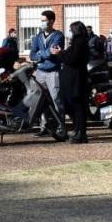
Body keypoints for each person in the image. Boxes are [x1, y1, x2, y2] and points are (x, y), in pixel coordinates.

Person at [30, 10, 66, 139]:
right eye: (41, 21)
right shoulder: (38, 36)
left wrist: (41, 54)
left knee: (56, 99)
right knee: (40, 100)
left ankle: (61, 127)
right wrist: (44, 54)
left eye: (44, 20)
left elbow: (54, 51)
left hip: (53, 72)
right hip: (40, 72)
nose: (42, 23)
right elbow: (32, 55)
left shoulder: (58, 35)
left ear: (51, 21)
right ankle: (43, 127)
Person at [53, 21, 89, 144]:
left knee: (78, 106)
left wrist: (60, 54)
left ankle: (80, 132)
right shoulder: (79, 41)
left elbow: (73, 59)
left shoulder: (79, 41)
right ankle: (78, 130)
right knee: (75, 106)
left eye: (71, 29)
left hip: (76, 78)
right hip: (74, 77)